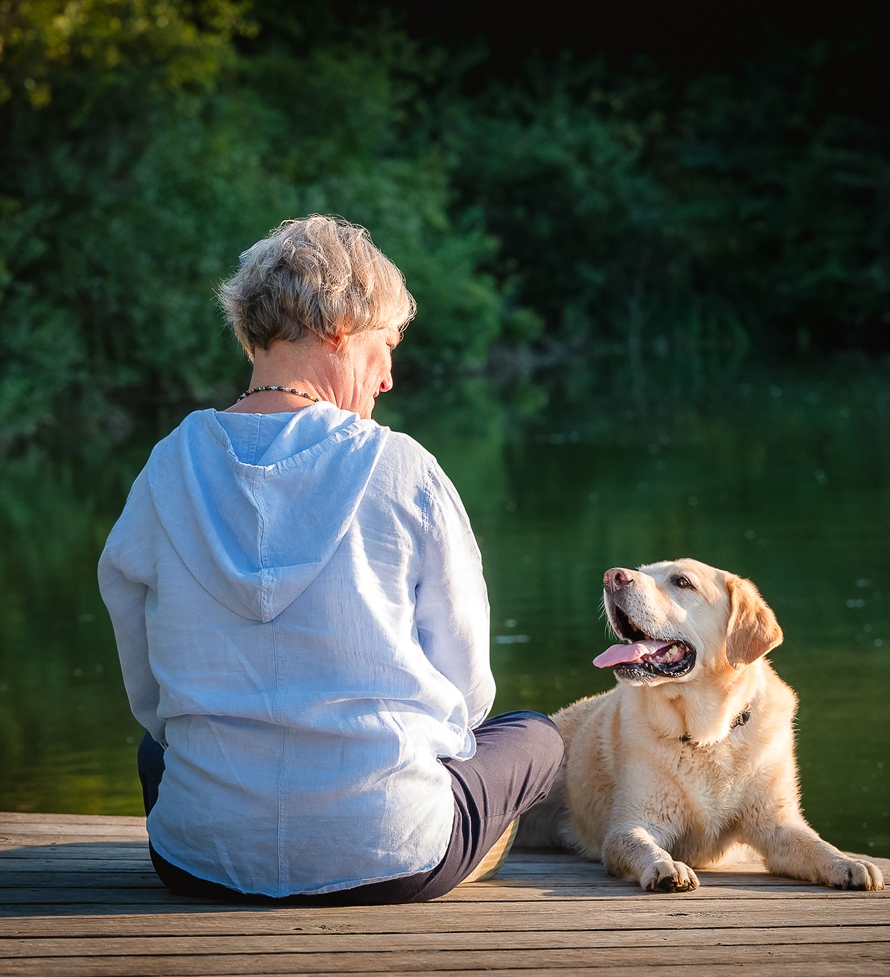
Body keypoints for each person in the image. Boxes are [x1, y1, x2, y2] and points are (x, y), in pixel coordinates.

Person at [97, 215, 563, 903]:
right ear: (342, 329)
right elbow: (466, 691)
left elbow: (146, 685)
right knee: (536, 736)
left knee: (157, 750)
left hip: (199, 862)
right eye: (386, 346)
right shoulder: (402, 467)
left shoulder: (168, 466)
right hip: (393, 856)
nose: (388, 379)